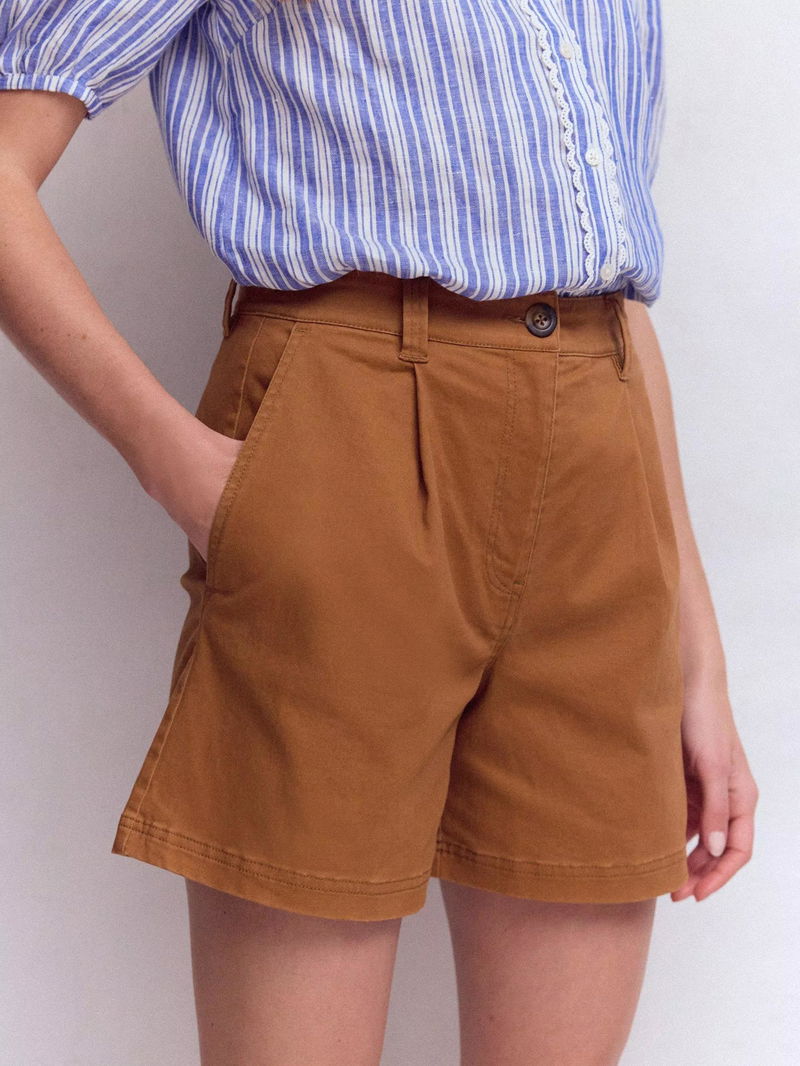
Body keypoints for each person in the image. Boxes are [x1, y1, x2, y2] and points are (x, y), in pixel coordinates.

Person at [0, 1, 759, 1063]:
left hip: (602, 453)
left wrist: (698, 658)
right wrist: (180, 467)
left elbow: (606, 275)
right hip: (345, 433)